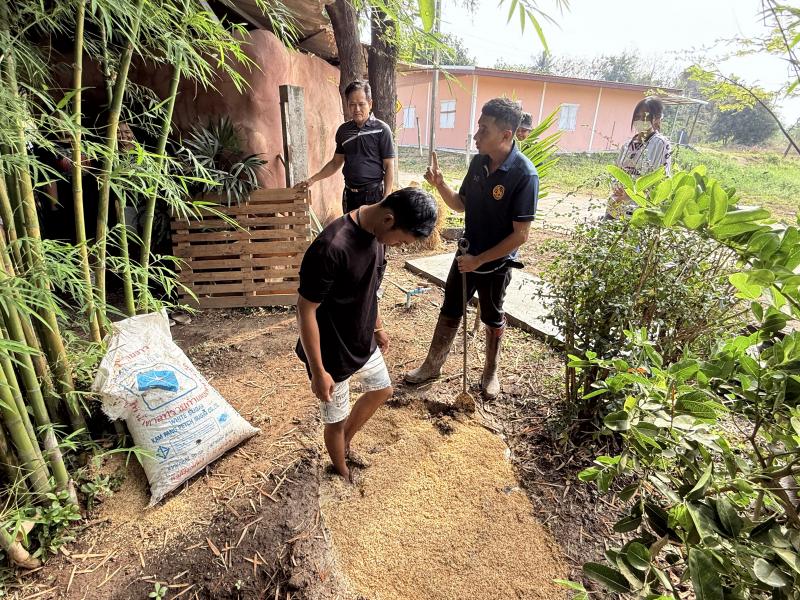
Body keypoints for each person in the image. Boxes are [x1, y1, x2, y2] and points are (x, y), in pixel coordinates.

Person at [296, 187, 437, 482]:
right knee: (335, 420)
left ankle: (345, 443)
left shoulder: (377, 238)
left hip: (363, 338)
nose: (397, 246)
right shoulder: (331, 247)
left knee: (382, 390)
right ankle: (341, 470)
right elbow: (305, 310)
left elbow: (369, 289)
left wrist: (378, 327)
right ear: (388, 219)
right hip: (331, 352)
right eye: (400, 240)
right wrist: (318, 371)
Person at [405, 98, 539, 400]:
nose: (476, 136)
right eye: (478, 127)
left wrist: (479, 260)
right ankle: (432, 364)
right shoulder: (478, 163)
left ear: (506, 134)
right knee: (451, 308)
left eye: (483, 129)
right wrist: (440, 185)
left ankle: (491, 370)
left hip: (495, 263)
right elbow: (461, 204)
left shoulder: (524, 176)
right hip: (468, 254)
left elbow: (520, 236)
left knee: (492, 315)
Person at [295, 80, 396, 214]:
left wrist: (386, 197)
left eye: (361, 104)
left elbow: (389, 165)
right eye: (352, 105)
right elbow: (336, 162)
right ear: (347, 105)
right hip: (350, 195)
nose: (357, 109)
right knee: (351, 233)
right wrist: (313, 179)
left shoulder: (382, 130)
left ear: (370, 104)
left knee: (371, 235)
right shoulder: (343, 131)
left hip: (373, 196)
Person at [607, 96, 672, 219]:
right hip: (617, 206)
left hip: (640, 210)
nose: (640, 121)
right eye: (637, 117)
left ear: (657, 119)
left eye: (645, 117)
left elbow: (660, 178)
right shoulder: (627, 145)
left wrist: (631, 195)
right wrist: (618, 190)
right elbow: (617, 172)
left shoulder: (660, 144)